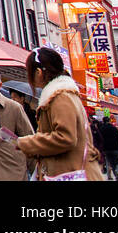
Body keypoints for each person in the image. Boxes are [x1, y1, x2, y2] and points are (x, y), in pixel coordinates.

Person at [8, 48, 104, 180]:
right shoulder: (63, 94)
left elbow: (65, 137)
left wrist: (26, 143)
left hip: (70, 172)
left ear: (38, 72)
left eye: (30, 72)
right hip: (68, 170)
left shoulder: (60, 97)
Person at [97, 112, 118, 180]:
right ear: (109, 121)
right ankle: (117, 171)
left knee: (110, 162)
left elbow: (99, 139)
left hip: (106, 149)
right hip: (115, 148)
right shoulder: (114, 128)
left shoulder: (101, 129)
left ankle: (114, 176)